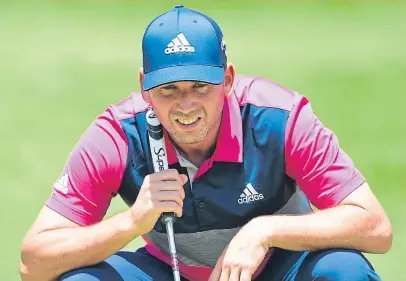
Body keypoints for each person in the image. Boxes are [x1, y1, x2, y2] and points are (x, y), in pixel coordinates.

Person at [19, 5, 392, 281]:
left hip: (279, 266)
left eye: (201, 86)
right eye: (168, 89)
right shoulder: (116, 136)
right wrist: (131, 222)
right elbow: (33, 263)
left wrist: (263, 231)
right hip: (168, 271)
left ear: (227, 79)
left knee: (344, 270)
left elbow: (374, 226)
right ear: (144, 87)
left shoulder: (280, 117)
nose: (186, 106)